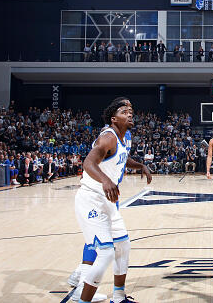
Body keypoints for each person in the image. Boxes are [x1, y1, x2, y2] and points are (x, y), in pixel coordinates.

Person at [73, 97, 152, 303]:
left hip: (108, 202)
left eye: (131, 111)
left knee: (123, 246)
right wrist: (106, 180)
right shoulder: (107, 137)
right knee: (106, 253)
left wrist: (140, 166)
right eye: (124, 111)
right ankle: (81, 297)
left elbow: (123, 159)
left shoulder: (126, 137)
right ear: (113, 118)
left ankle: (118, 296)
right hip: (91, 198)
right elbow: (88, 162)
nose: (129, 113)